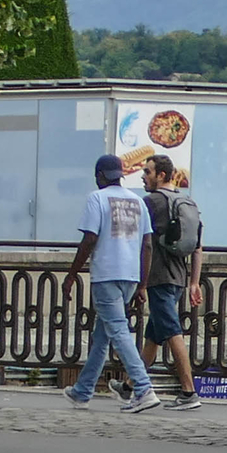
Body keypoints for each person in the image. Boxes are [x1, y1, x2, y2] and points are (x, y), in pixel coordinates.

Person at [62, 154, 159, 414]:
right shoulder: (138, 201)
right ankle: (82, 391)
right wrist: (142, 284)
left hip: (106, 274)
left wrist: (72, 274)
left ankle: (143, 388)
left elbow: (90, 238)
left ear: (100, 177)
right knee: (102, 335)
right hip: (130, 275)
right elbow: (147, 244)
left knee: (117, 331)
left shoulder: (97, 198)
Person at [138, 156, 206, 410]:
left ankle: (188, 392)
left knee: (172, 332)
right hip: (179, 278)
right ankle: (130, 385)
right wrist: (194, 282)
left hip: (158, 277)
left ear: (162, 176)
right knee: (153, 335)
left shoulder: (152, 202)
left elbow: (140, 240)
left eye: (148, 172)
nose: (143, 176)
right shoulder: (187, 202)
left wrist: (140, 282)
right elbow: (198, 247)